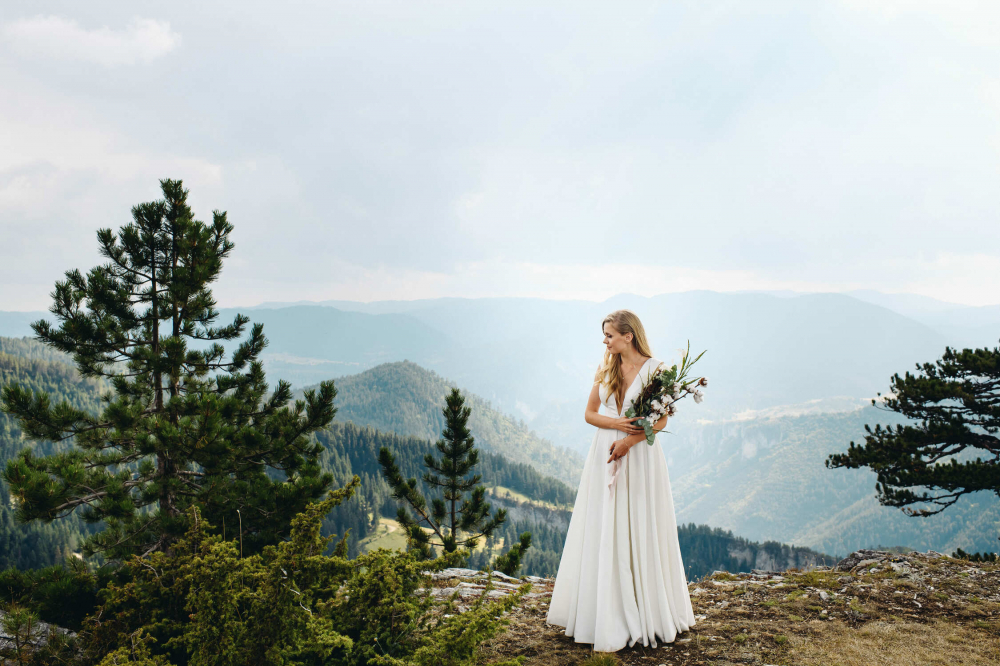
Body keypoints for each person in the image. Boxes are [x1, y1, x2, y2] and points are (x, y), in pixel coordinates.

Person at [546, 309, 696, 652]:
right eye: (605, 335)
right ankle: (603, 609)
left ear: (628, 335)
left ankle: (646, 606)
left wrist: (629, 441)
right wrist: (617, 428)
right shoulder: (606, 368)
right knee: (605, 523)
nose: (605, 341)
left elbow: (659, 423)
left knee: (641, 523)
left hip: (640, 455)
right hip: (605, 451)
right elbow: (589, 414)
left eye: (610, 335)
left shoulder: (657, 371)